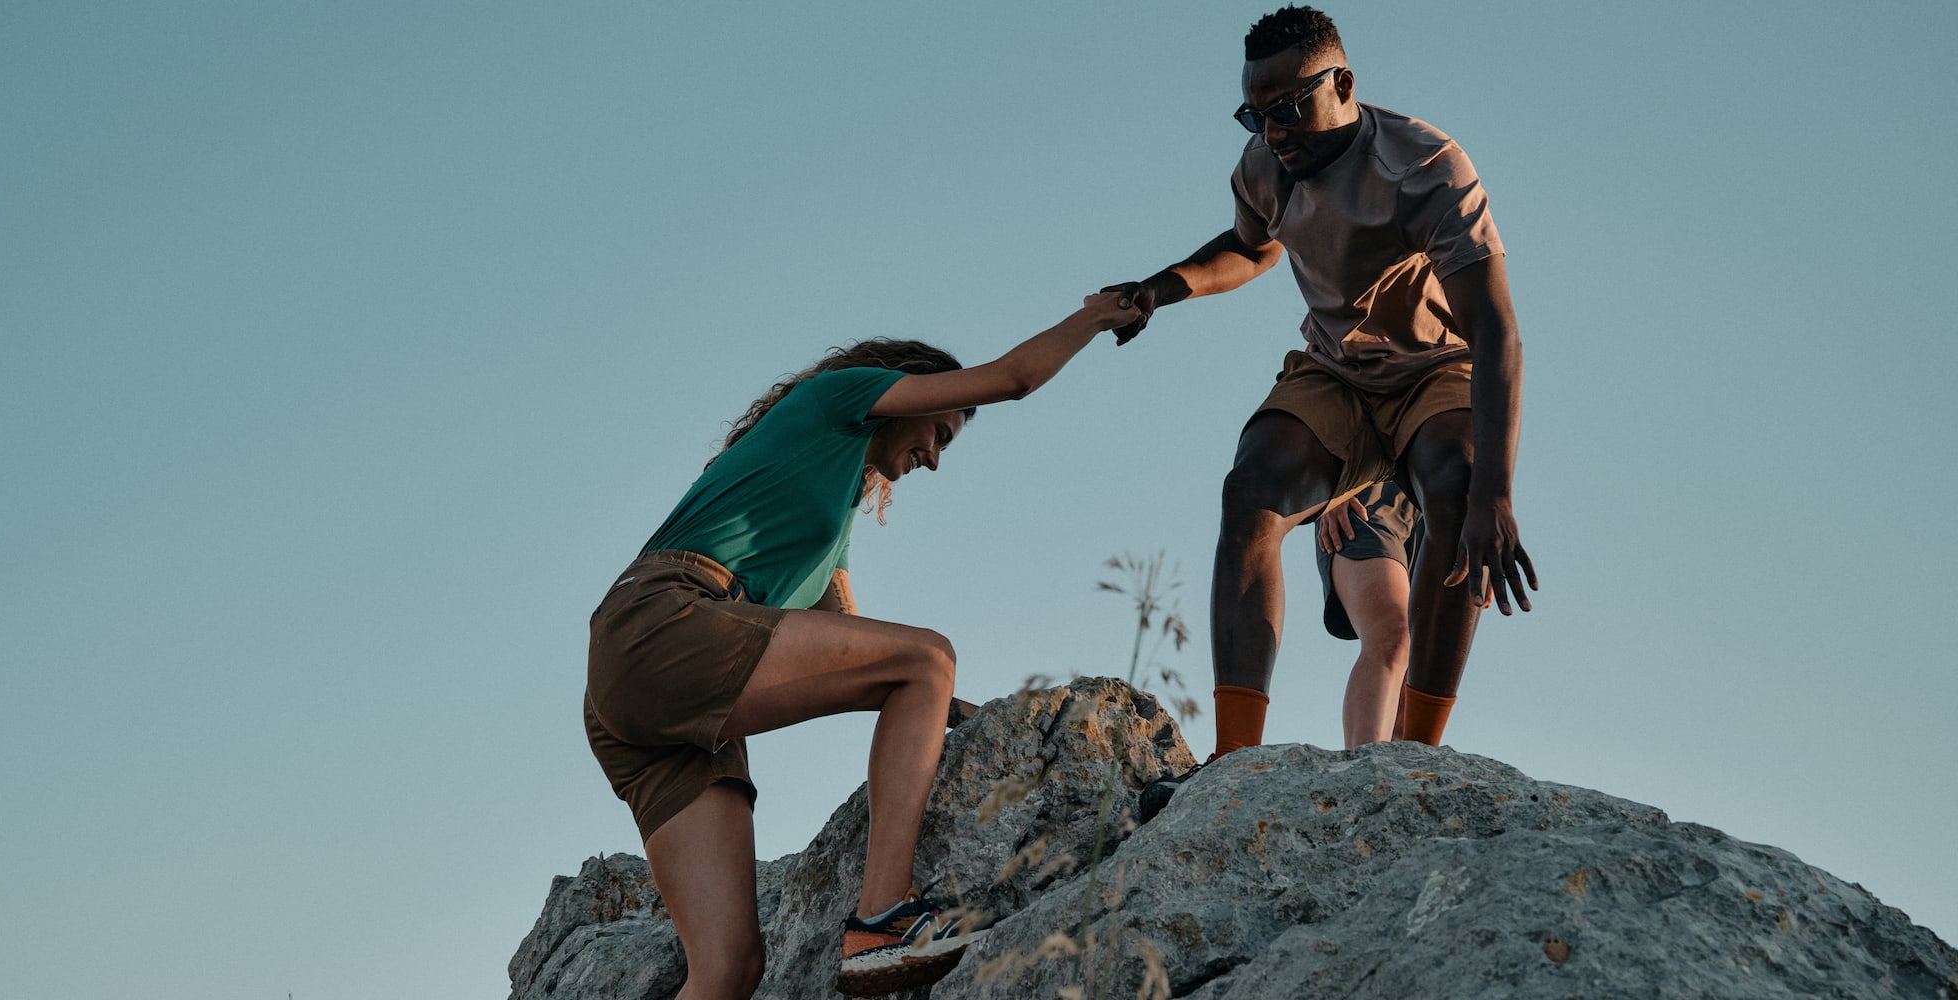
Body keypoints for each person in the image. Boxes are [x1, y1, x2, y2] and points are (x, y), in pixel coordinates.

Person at [583, 292, 1142, 999]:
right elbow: (1012, 379)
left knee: (726, 970)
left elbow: (855, 645)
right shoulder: (840, 395)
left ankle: (874, 928)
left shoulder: (830, 515)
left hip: (647, 694)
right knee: (928, 654)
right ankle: (882, 921)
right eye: (940, 431)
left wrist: (959, 710)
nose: (936, 459)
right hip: (664, 622)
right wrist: (1095, 317)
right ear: (901, 392)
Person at [1112, 5, 1539, 816]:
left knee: (1456, 487)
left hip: (1433, 369)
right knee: (1253, 492)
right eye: (1254, 114)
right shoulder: (1266, 165)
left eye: (1288, 110)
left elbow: (1495, 332)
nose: (1273, 133)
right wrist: (1160, 289)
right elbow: (1251, 247)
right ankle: (1233, 765)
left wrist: (1496, 497)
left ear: (1342, 85)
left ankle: (1416, 760)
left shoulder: (1426, 167)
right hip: (1335, 372)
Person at [1315, 481, 1419, 747]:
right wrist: (1337, 483)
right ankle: (1363, 776)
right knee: (1393, 633)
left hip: (1449, 492)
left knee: (1419, 664)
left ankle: (1398, 781)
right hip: (1371, 485)